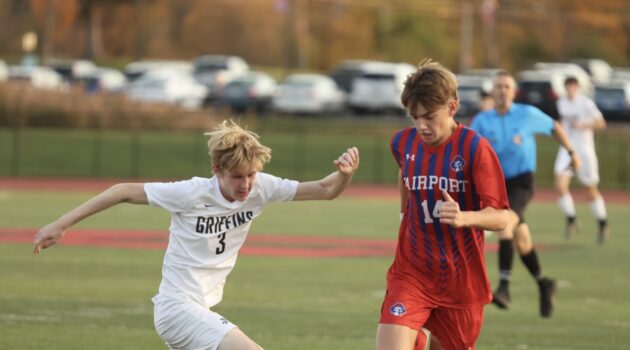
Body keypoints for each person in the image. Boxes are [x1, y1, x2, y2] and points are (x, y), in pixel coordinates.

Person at [33, 120, 360, 350]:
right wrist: (61, 223)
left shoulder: (261, 187)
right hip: (176, 309)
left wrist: (344, 175)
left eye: (250, 175)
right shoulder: (191, 193)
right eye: (237, 177)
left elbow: (325, 189)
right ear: (217, 169)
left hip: (202, 310)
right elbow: (121, 191)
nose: (246, 184)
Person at [376, 59, 509, 350]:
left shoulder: (476, 148)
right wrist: (404, 213)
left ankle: (422, 338)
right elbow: (405, 173)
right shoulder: (402, 143)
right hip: (411, 273)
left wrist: (465, 218)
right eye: (414, 117)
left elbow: (502, 218)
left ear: (452, 107)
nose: (421, 126)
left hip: (461, 282)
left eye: (429, 116)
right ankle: (416, 334)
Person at [470, 70, 581, 318]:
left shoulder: (527, 114)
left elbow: (554, 127)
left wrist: (572, 153)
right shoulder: (481, 120)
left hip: (521, 182)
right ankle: (544, 284)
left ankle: (505, 288)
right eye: (498, 86)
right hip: (496, 184)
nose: (502, 90)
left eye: (506, 86)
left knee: (505, 225)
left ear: (513, 91)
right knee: (522, 240)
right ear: (493, 90)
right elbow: (466, 147)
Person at [554, 76, 608, 243]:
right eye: (568, 86)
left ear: (577, 87)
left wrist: (583, 125)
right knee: (560, 185)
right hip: (568, 149)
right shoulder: (561, 103)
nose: (570, 89)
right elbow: (563, 122)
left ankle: (602, 222)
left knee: (590, 189)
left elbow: (601, 123)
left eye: (573, 86)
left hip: (584, 151)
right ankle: (571, 219)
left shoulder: (586, 103)